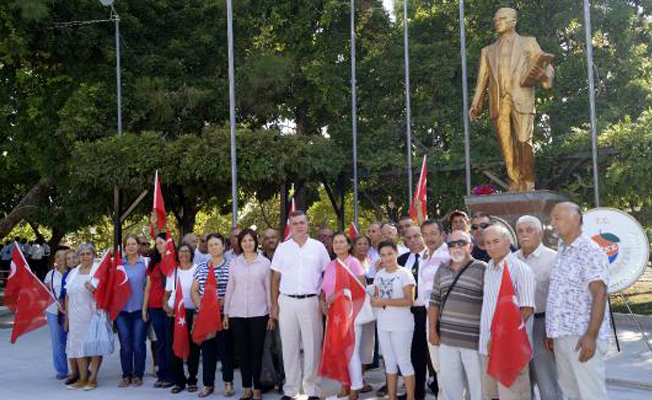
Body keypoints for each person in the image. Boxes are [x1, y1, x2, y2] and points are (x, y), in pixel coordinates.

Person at [546, 202, 610, 400]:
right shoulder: (563, 250)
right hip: (561, 335)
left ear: (574, 219)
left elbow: (600, 294)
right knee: (571, 394)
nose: (551, 223)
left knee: (591, 395)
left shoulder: (590, 250)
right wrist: (552, 332)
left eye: (557, 218)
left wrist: (591, 336)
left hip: (582, 337)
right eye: (551, 219)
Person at [270, 210, 331, 400]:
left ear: (308, 224)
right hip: (286, 301)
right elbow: (275, 278)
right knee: (288, 348)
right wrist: (274, 304)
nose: (299, 226)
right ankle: (291, 390)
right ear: (290, 225)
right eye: (295, 223)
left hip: (311, 301)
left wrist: (322, 299)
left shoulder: (318, 247)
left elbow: (327, 277)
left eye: (302, 222)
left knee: (313, 348)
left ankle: (312, 390)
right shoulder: (282, 248)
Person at [479, 225, 536, 399]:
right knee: (492, 396)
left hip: (509, 348)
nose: (491, 246)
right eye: (487, 243)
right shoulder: (489, 268)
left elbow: (526, 310)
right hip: (486, 347)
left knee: (513, 395)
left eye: (496, 241)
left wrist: (498, 337)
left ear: (508, 241)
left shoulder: (521, 269)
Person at [428, 230, 485, 400]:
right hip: (447, 340)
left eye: (461, 243)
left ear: (471, 246)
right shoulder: (442, 268)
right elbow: (434, 302)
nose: (456, 247)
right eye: (452, 244)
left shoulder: (483, 268)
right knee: (450, 386)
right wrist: (432, 330)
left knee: (477, 388)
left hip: (474, 340)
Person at [515, 215, 563, 399]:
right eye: (520, 231)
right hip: (518, 327)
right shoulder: (511, 260)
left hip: (543, 326)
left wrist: (552, 331)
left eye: (529, 230)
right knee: (523, 384)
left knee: (547, 382)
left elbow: (559, 298)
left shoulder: (553, 259)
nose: (524, 235)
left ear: (540, 233)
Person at [224, 229, 274, 400]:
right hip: (237, 314)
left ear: (255, 242)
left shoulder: (264, 263)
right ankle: (247, 387)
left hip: (259, 313)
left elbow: (269, 289)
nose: (247, 243)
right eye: (244, 240)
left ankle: (257, 387)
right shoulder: (234, 263)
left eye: (250, 240)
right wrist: (226, 314)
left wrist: (271, 314)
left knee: (257, 351)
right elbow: (230, 288)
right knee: (243, 352)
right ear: (240, 243)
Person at [320, 232, 367, 400]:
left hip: (351, 314)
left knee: (351, 352)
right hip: (334, 315)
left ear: (349, 245)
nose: (338, 245)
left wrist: (338, 295)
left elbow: (361, 290)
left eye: (342, 242)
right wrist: (323, 302)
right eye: (335, 242)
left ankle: (355, 387)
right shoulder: (331, 265)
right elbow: (324, 290)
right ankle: (344, 386)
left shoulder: (353, 263)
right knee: (339, 351)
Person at [191, 233, 234, 398]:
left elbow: (231, 290)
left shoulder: (230, 266)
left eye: (216, 244)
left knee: (225, 352)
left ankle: (228, 383)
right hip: (206, 317)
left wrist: (217, 305)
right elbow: (194, 290)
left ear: (224, 246)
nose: (213, 247)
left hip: (223, 316)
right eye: (210, 245)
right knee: (208, 352)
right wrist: (202, 306)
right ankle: (208, 385)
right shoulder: (201, 267)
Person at [372, 240, 416, 400]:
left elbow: (409, 300)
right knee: (389, 362)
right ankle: (392, 396)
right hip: (383, 323)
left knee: (403, 361)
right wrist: (374, 301)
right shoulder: (379, 275)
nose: (387, 257)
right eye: (383, 255)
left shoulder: (405, 273)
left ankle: (410, 397)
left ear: (396, 253)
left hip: (402, 324)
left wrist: (384, 302)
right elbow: (377, 298)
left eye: (390, 253)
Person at [64, 243, 107, 390]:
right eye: (82, 254)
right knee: (77, 346)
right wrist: (67, 319)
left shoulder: (97, 271)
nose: (85, 256)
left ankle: (93, 378)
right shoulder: (73, 272)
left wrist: (94, 289)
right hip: (75, 316)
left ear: (93, 255)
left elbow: (105, 293)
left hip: (93, 314)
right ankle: (82, 378)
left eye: (88, 253)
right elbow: (68, 296)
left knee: (93, 345)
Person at [396, 226, 429, 400]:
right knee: (413, 354)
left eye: (417, 236)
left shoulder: (433, 256)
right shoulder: (401, 260)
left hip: (428, 311)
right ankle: (415, 393)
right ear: (405, 242)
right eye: (409, 238)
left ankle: (439, 389)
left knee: (432, 356)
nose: (413, 240)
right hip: (408, 312)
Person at [164, 242, 199, 394]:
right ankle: (179, 381)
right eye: (181, 251)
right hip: (176, 314)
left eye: (186, 251)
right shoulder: (173, 272)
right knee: (175, 347)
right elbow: (166, 294)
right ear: (177, 254)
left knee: (193, 348)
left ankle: (192, 380)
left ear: (191, 253)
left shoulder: (198, 269)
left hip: (194, 313)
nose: (183, 254)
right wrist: (165, 306)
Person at [420, 220, 450, 396]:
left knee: (448, 368)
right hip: (429, 316)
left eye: (433, 233)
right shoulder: (426, 255)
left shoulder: (448, 255)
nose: (429, 238)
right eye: (425, 234)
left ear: (442, 235)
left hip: (445, 317)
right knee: (438, 366)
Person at [116, 234, 148, 388]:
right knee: (125, 345)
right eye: (127, 244)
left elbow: (148, 287)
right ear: (124, 247)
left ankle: (138, 375)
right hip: (122, 312)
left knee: (138, 344)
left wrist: (145, 308)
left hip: (139, 311)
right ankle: (126, 375)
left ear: (138, 246)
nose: (131, 246)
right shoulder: (119, 265)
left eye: (134, 243)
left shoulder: (145, 264)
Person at [144, 232, 174, 388]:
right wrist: (144, 308)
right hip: (154, 307)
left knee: (170, 341)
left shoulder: (174, 261)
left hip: (169, 307)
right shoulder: (153, 263)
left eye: (162, 242)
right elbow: (148, 288)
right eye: (157, 243)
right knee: (160, 341)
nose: (159, 245)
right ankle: (162, 374)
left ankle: (171, 375)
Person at [351, 234, 377, 391]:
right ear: (353, 245)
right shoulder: (349, 262)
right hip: (353, 309)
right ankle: (352, 380)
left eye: (365, 243)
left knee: (367, 345)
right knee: (352, 345)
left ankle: (361, 378)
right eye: (359, 243)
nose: (362, 246)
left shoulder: (373, 262)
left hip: (370, 309)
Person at [45, 247, 69, 380]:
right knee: (58, 342)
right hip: (54, 312)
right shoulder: (50, 275)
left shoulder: (74, 272)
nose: (61, 259)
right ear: (55, 260)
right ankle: (62, 370)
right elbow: (45, 293)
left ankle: (80, 369)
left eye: (64, 256)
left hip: (72, 312)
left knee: (74, 340)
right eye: (58, 256)